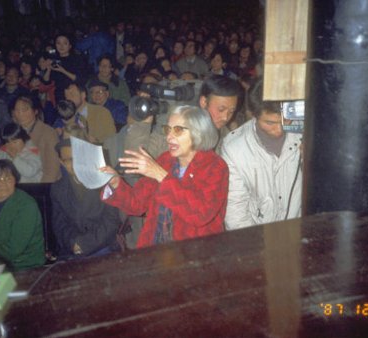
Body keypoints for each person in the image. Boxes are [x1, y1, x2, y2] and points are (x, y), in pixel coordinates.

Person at [100, 105, 228, 248]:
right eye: (168, 129)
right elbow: (136, 204)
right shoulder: (166, 160)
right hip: (156, 249)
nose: (169, 136)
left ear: (198, 132)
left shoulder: (215, 166)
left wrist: (160, 175)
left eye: (178, 130)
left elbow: (200, 214)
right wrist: (116, 183)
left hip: (196, 254)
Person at [221, 79, 302, 230]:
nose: (279, 130)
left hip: (298, 230)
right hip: (257, 236)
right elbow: (235, 212)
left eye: (284, 121)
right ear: (253, 115)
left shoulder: (304, 134)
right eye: (269, 123)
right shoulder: (234, 148)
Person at [123, 74, 242, 159]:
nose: (226, 117)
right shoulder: (177, 131)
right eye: (221, 109)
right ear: (203, 102)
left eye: (231, 111)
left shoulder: (230, 140)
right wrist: (143, 123)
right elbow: (134, 160)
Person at [51, 138, 122, 259]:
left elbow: (112, 220)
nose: (76, 164)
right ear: (61, 162)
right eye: (69, 160)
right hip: (72, 248)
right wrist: (73, 243)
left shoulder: (105, 182)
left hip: (102, 246)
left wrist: (85, 244)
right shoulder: (58, 188)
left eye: (79, 158)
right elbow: (59, 223)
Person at [0, 159, 45, 271]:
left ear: (15, 180)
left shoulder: (26, 205)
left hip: (22, 265)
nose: (3, 183)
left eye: (8, 178)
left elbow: (14, 249)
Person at [11, 95, 61, 183]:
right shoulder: (12, 132)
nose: (20, 114)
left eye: (24, 110)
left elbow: (52, 169)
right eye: (17, 110)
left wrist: (42, 188)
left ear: (35, 111)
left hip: (41, 184)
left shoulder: (48, 132)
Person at [49, 34, 88, 102]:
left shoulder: (77, 59)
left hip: (74, 94)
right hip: (59, 95)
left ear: (70, 45)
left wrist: (63, 71)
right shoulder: (54, 60)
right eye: (58, 43)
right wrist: (48, 68)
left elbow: (80, 79)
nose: (61, 46)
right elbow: (48, 81)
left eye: (65, 43)